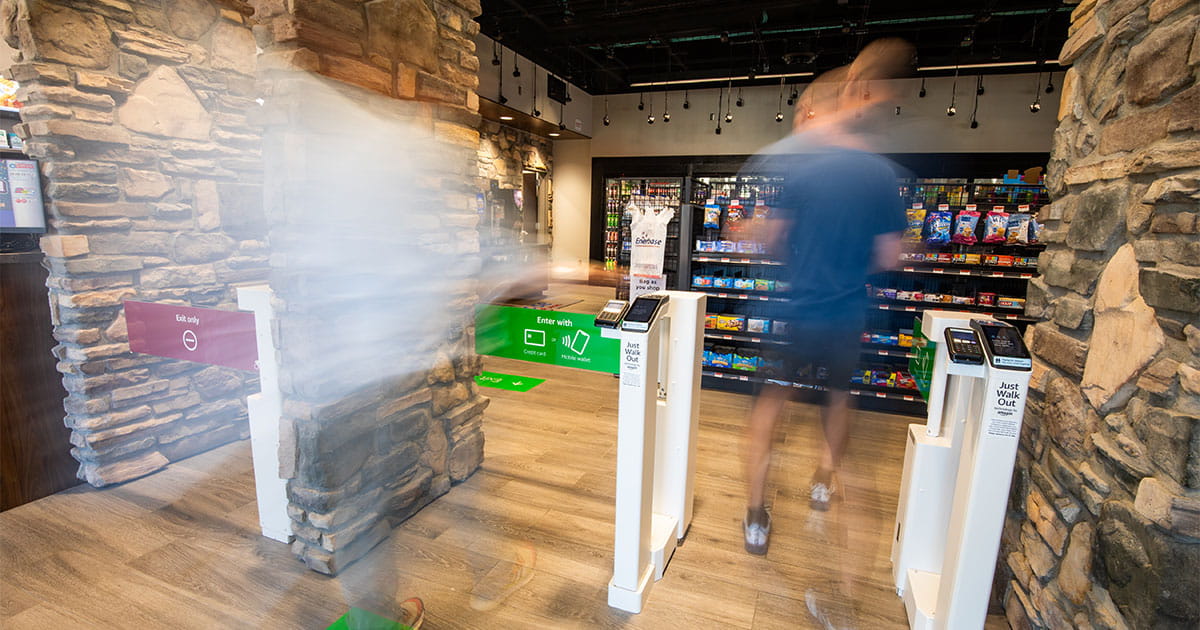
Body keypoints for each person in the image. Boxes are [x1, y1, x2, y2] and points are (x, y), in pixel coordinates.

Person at [742, 39, 914, 556]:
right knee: (837, 402)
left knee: (771, 405)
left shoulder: (801, 166)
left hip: (795, 311)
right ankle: (822, 480)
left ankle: (755, 515)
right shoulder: (881, 173)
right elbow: (889, 258)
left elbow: (771, 239)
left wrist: (772, 237)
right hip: (844, 311)